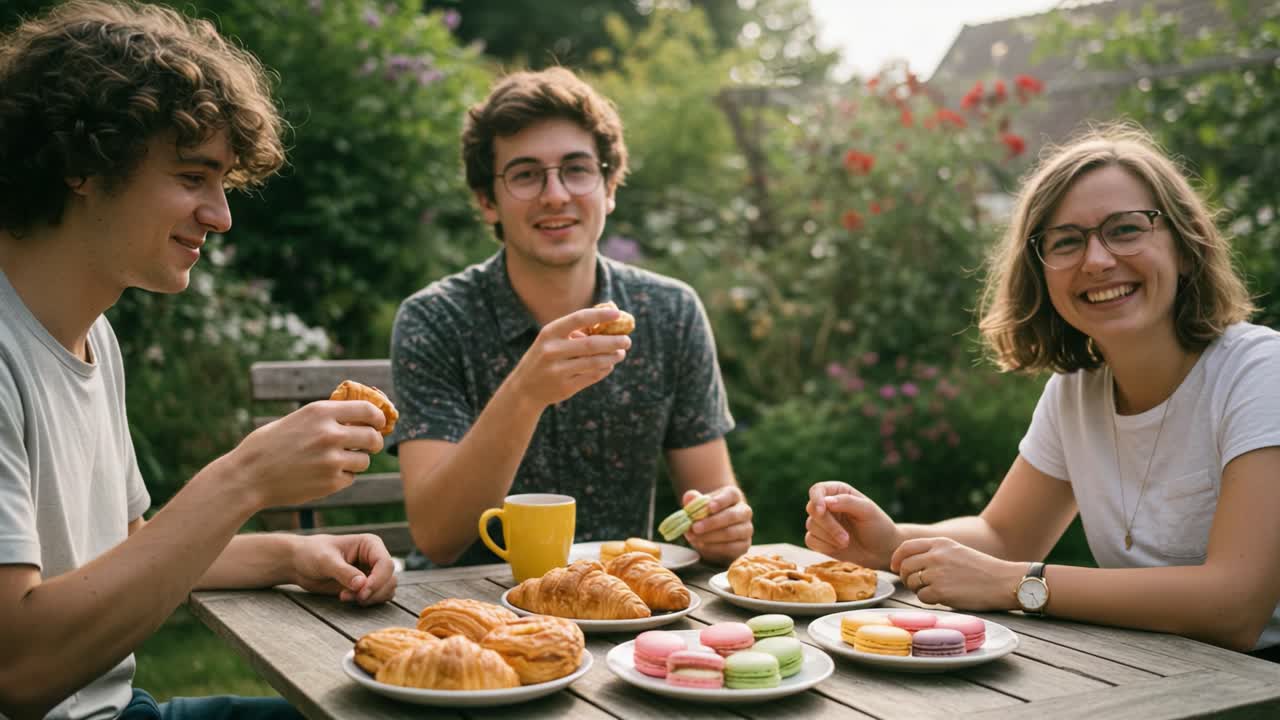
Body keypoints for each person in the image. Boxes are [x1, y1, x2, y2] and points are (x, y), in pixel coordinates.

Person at [0, 3, 397, 718]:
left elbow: (122, 555)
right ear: (82, 165)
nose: (221, 215)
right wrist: (244, 479)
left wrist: (289, 556)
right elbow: (19, 668)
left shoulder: (93, 335)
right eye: (192, 177)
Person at [805, 124, 1280, 654]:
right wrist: (892, 543)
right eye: (1067, 241)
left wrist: (1019, 584)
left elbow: (1236, 606)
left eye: (1125, 230)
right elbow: (1004, 536)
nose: (1096, 260)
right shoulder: (1076, 391)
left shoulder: (1260, 373)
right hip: (1161, 675)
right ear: (1042, 272)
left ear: (1187, 246)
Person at [390, 67, 753, 568]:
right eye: (525, 174)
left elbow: (712, 499)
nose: (556, 194)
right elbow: (438, 537)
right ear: (486, 201)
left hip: (623, 603)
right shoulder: (435, 320)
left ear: (608, 187)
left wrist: (723, 527)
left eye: (577, 169)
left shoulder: (669, 313)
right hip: (471, 607)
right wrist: (525, 392)